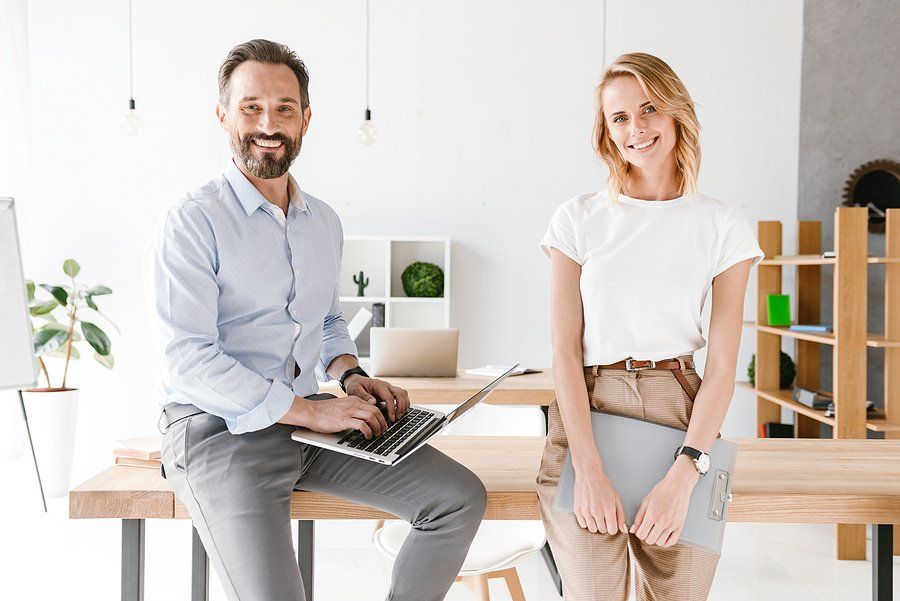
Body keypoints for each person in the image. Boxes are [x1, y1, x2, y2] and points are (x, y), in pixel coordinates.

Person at [143, 39, 486, 601]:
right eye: (251, 107)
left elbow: (325, 318)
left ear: (305, 118)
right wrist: (311, 411)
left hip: (305, 424)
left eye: (284, 108)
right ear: (223, 116)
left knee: (457, 499)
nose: (268, 124)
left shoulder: (321, 221)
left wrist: (350, 375)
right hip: (218, 433)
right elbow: (189, 360)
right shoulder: (192, 221)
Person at [535, 52, 764, 601]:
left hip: (680, 413)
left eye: (649, 109)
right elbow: (564, 353)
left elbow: (722, 369)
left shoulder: (723, 226)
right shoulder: (577, 218)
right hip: (588, 410)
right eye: (619, 117)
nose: (636, 128)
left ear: (677, 111)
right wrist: (588, 469)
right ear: (606, 131)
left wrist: (686, 473)